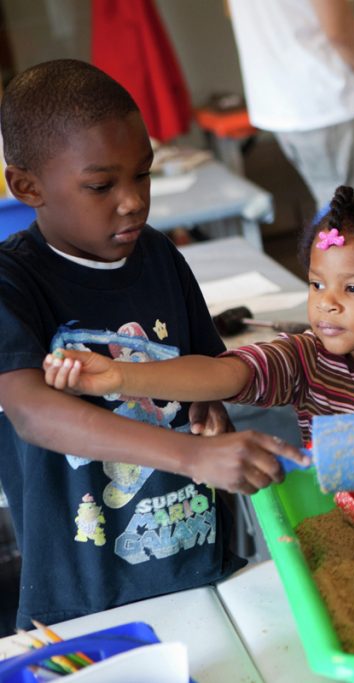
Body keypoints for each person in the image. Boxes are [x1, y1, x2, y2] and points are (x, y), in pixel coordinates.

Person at [0, 59, 306, 629]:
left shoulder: (160, 256)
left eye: (143, 175)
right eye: (101, 185)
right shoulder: (13, 284)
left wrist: (208, 412)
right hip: (86, 600)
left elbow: (205, 369)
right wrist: (192, 455)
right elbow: (32, 413)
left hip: (200, 564)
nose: (133, 201)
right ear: (27, 186)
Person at [43, 187, 354, 442]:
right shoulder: (307, 359)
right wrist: (120, 376)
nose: (328, 302)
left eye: (353, 288)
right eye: (316, 284)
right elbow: (223, 376)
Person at [227, 0, 354, 206]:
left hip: (280, 102)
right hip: (328, 98)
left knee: (335, 213)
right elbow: (340, 33)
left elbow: (231, 10)